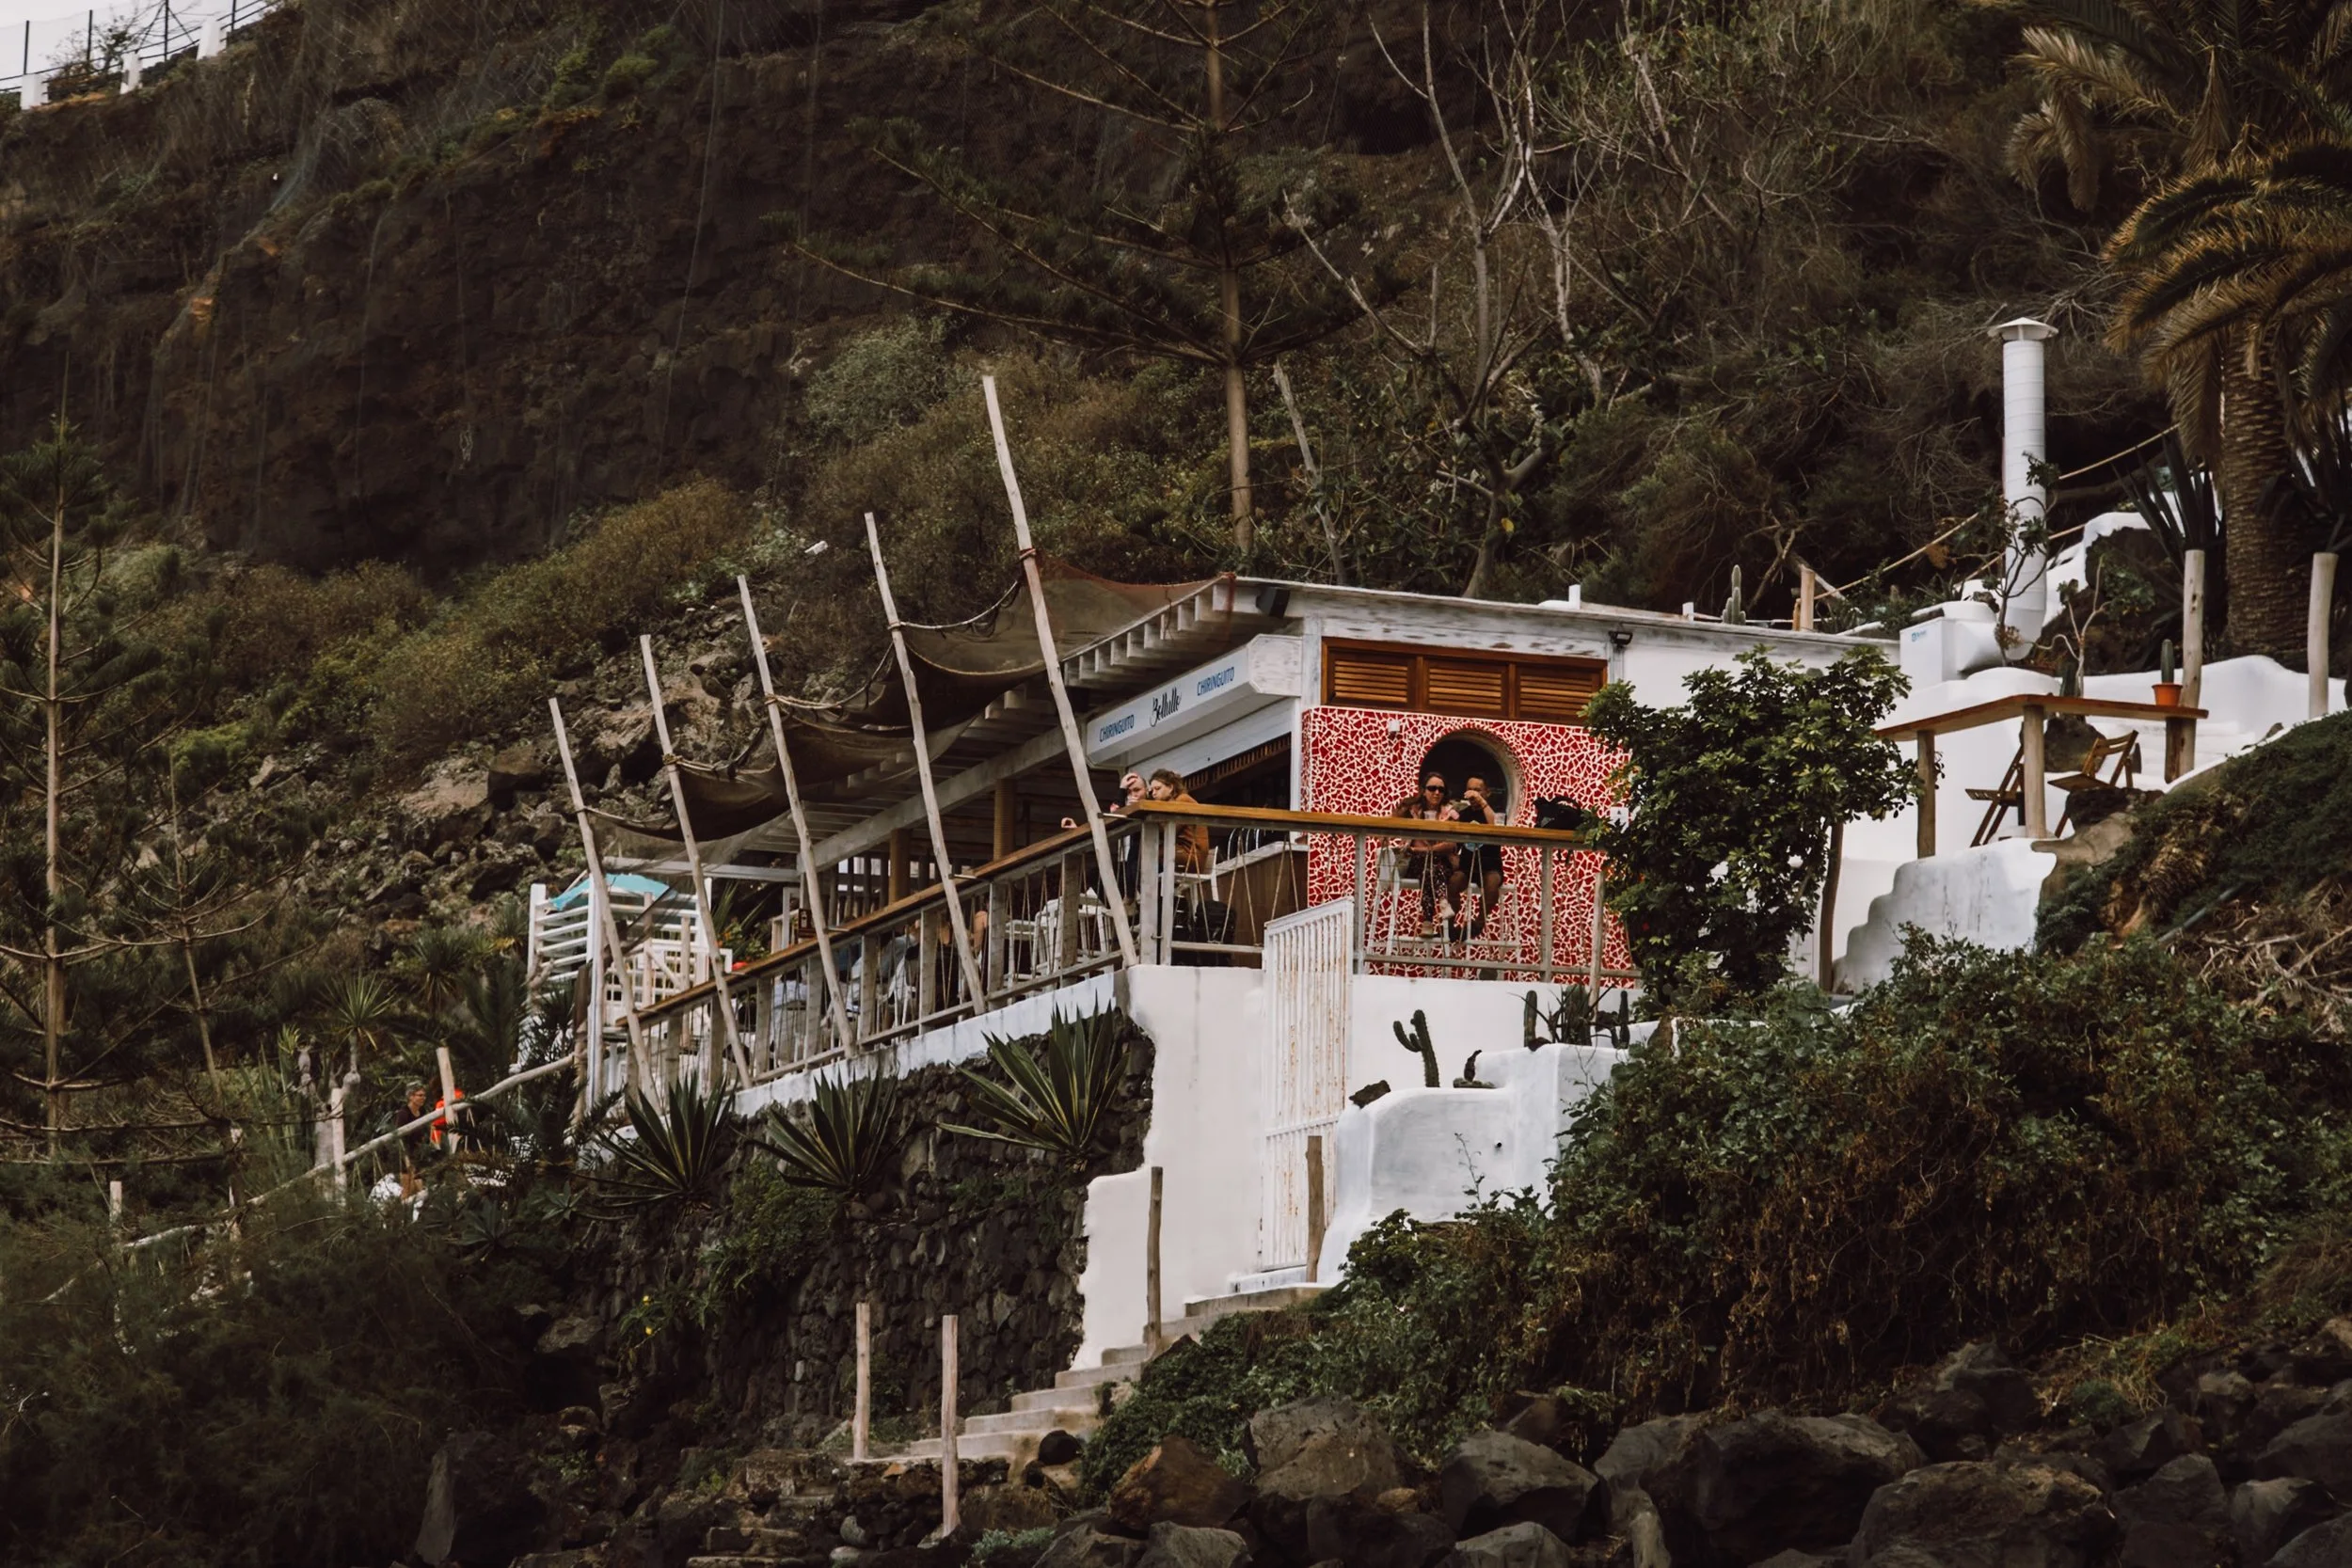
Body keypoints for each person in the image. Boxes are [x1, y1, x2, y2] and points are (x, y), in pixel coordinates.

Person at [1394, 772, 1460, 936]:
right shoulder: (1414, 810)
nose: (1436, 793)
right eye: (1432, 788)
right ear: (1424, 791)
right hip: (1416, 862)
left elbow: (1451, 845)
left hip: (1441, 863)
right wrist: (1401, 809)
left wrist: (1424, 849)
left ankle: (1427, 921)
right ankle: (1442, 902)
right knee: (1427, 866)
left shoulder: (1450, 813)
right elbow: (1393, 822)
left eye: (1440, 789)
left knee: (1430, 868)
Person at [1451, 772, 1509, 939]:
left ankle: (1478, 924)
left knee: (1492, 884)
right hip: (1468, 865)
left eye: (1477, 789)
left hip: (1490, 865)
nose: (1473, 793)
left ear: (1487, 792)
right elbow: (1457, 843)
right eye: (1470, 789)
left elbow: (1496, 828)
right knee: (1454, 882)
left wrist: (1482, 803)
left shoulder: (1495, 811)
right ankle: (1450, 922)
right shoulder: (1465, 814)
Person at [1147, 768, 1212, 875]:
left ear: (1170, 787)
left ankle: (1154, 889)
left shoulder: (1183, 800)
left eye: (1157, 789)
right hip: (1181, 852)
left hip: (1191, 856)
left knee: (1150, 852)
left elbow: (1167, 830)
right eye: (1152, 791)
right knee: (1146, 852)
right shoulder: (1174, 803)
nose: (1154, 794)